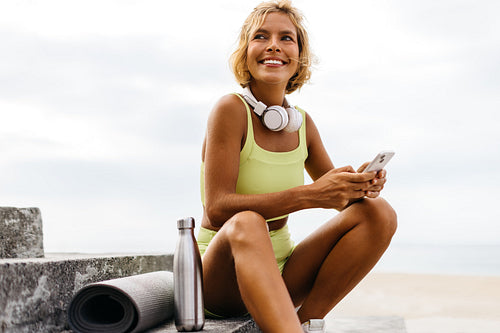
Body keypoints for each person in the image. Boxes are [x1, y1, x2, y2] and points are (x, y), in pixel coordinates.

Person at [197, 1, 397, 332]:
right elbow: (218, 209)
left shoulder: (303, 124)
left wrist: (359, 186)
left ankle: (306, 323)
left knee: (379, 213)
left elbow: (340, 200)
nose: (274, 44)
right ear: (246, 51)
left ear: (298, 57)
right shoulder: (230, 110)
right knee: (247, 222)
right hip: (220, 279)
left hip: (281, 271)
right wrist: (309, 195)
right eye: (261, 36)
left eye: (286, 38)